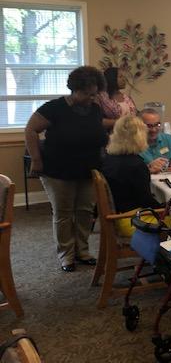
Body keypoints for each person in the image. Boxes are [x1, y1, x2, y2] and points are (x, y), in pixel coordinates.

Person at [25, 66, 108, 272]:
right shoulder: (54, 108)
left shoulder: (95, 109)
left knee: (85, 212)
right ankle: (66, 255)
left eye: (94, 94)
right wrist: (36, 160)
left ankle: (82, 251)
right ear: (75, 89)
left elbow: (98, 131)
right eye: (87, 94)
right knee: (64, 213)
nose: (92, 98)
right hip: (58, 170)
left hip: (88, 170)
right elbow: (31, 130)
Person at [102, 115, 166, 237]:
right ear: (139, 137)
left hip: (118, 215)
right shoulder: (136, 165)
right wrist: (166, 207)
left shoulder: (109, 158)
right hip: (134, 220)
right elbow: (146, 201)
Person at [139, 108, 171, 174]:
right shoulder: (134, 145)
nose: (154, 130)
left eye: (157, 124)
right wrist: (148, 168)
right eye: (149, 126)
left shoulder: (169, 139)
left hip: (169, 178)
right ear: (139, 126)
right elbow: (130, 172)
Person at [96, 66, 137, 131]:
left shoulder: (126, 97)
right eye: (120, 77)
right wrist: (120, 122)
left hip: (130, 133)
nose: (124, 79)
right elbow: (97, 121)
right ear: (112, 78)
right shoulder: (101, 97)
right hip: (111, 134)